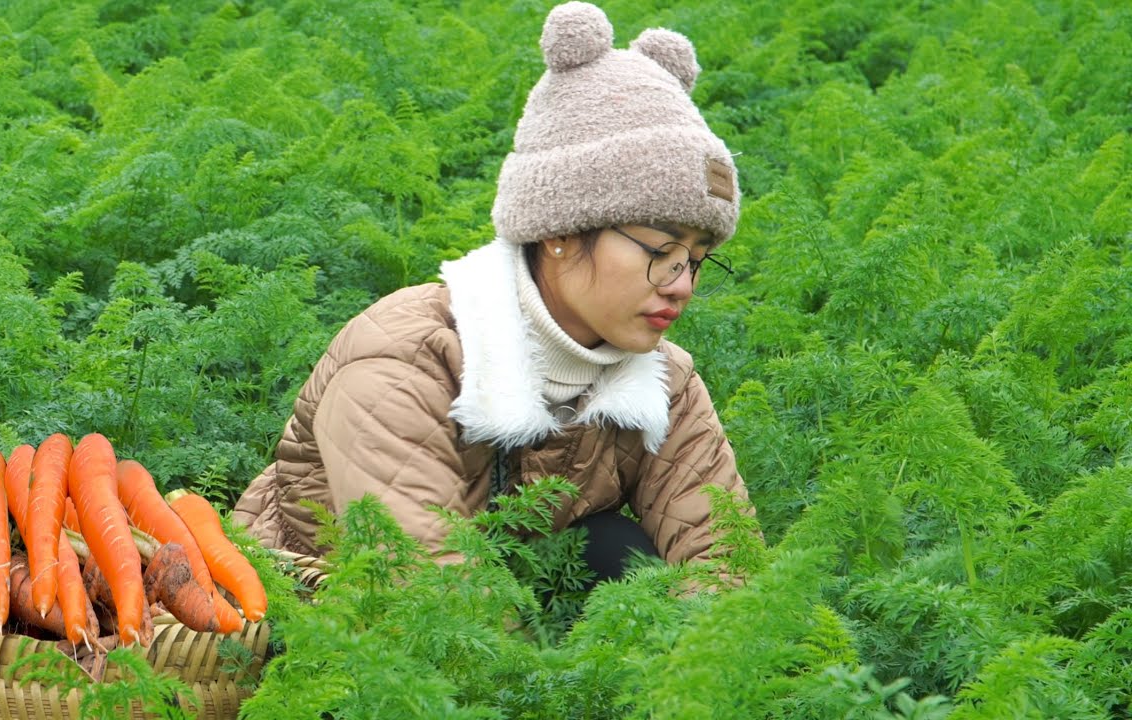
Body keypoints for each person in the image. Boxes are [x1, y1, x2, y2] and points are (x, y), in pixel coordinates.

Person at [234, 1, 754, 583]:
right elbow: (428, 592)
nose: (682, 285)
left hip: (511, 627)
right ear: (558, 231)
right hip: (328, 627)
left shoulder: (664, 382)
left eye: (698, 261)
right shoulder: (405, 362)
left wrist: (689, 665)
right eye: (660, 251)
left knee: (608, 547)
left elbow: (728, 568)